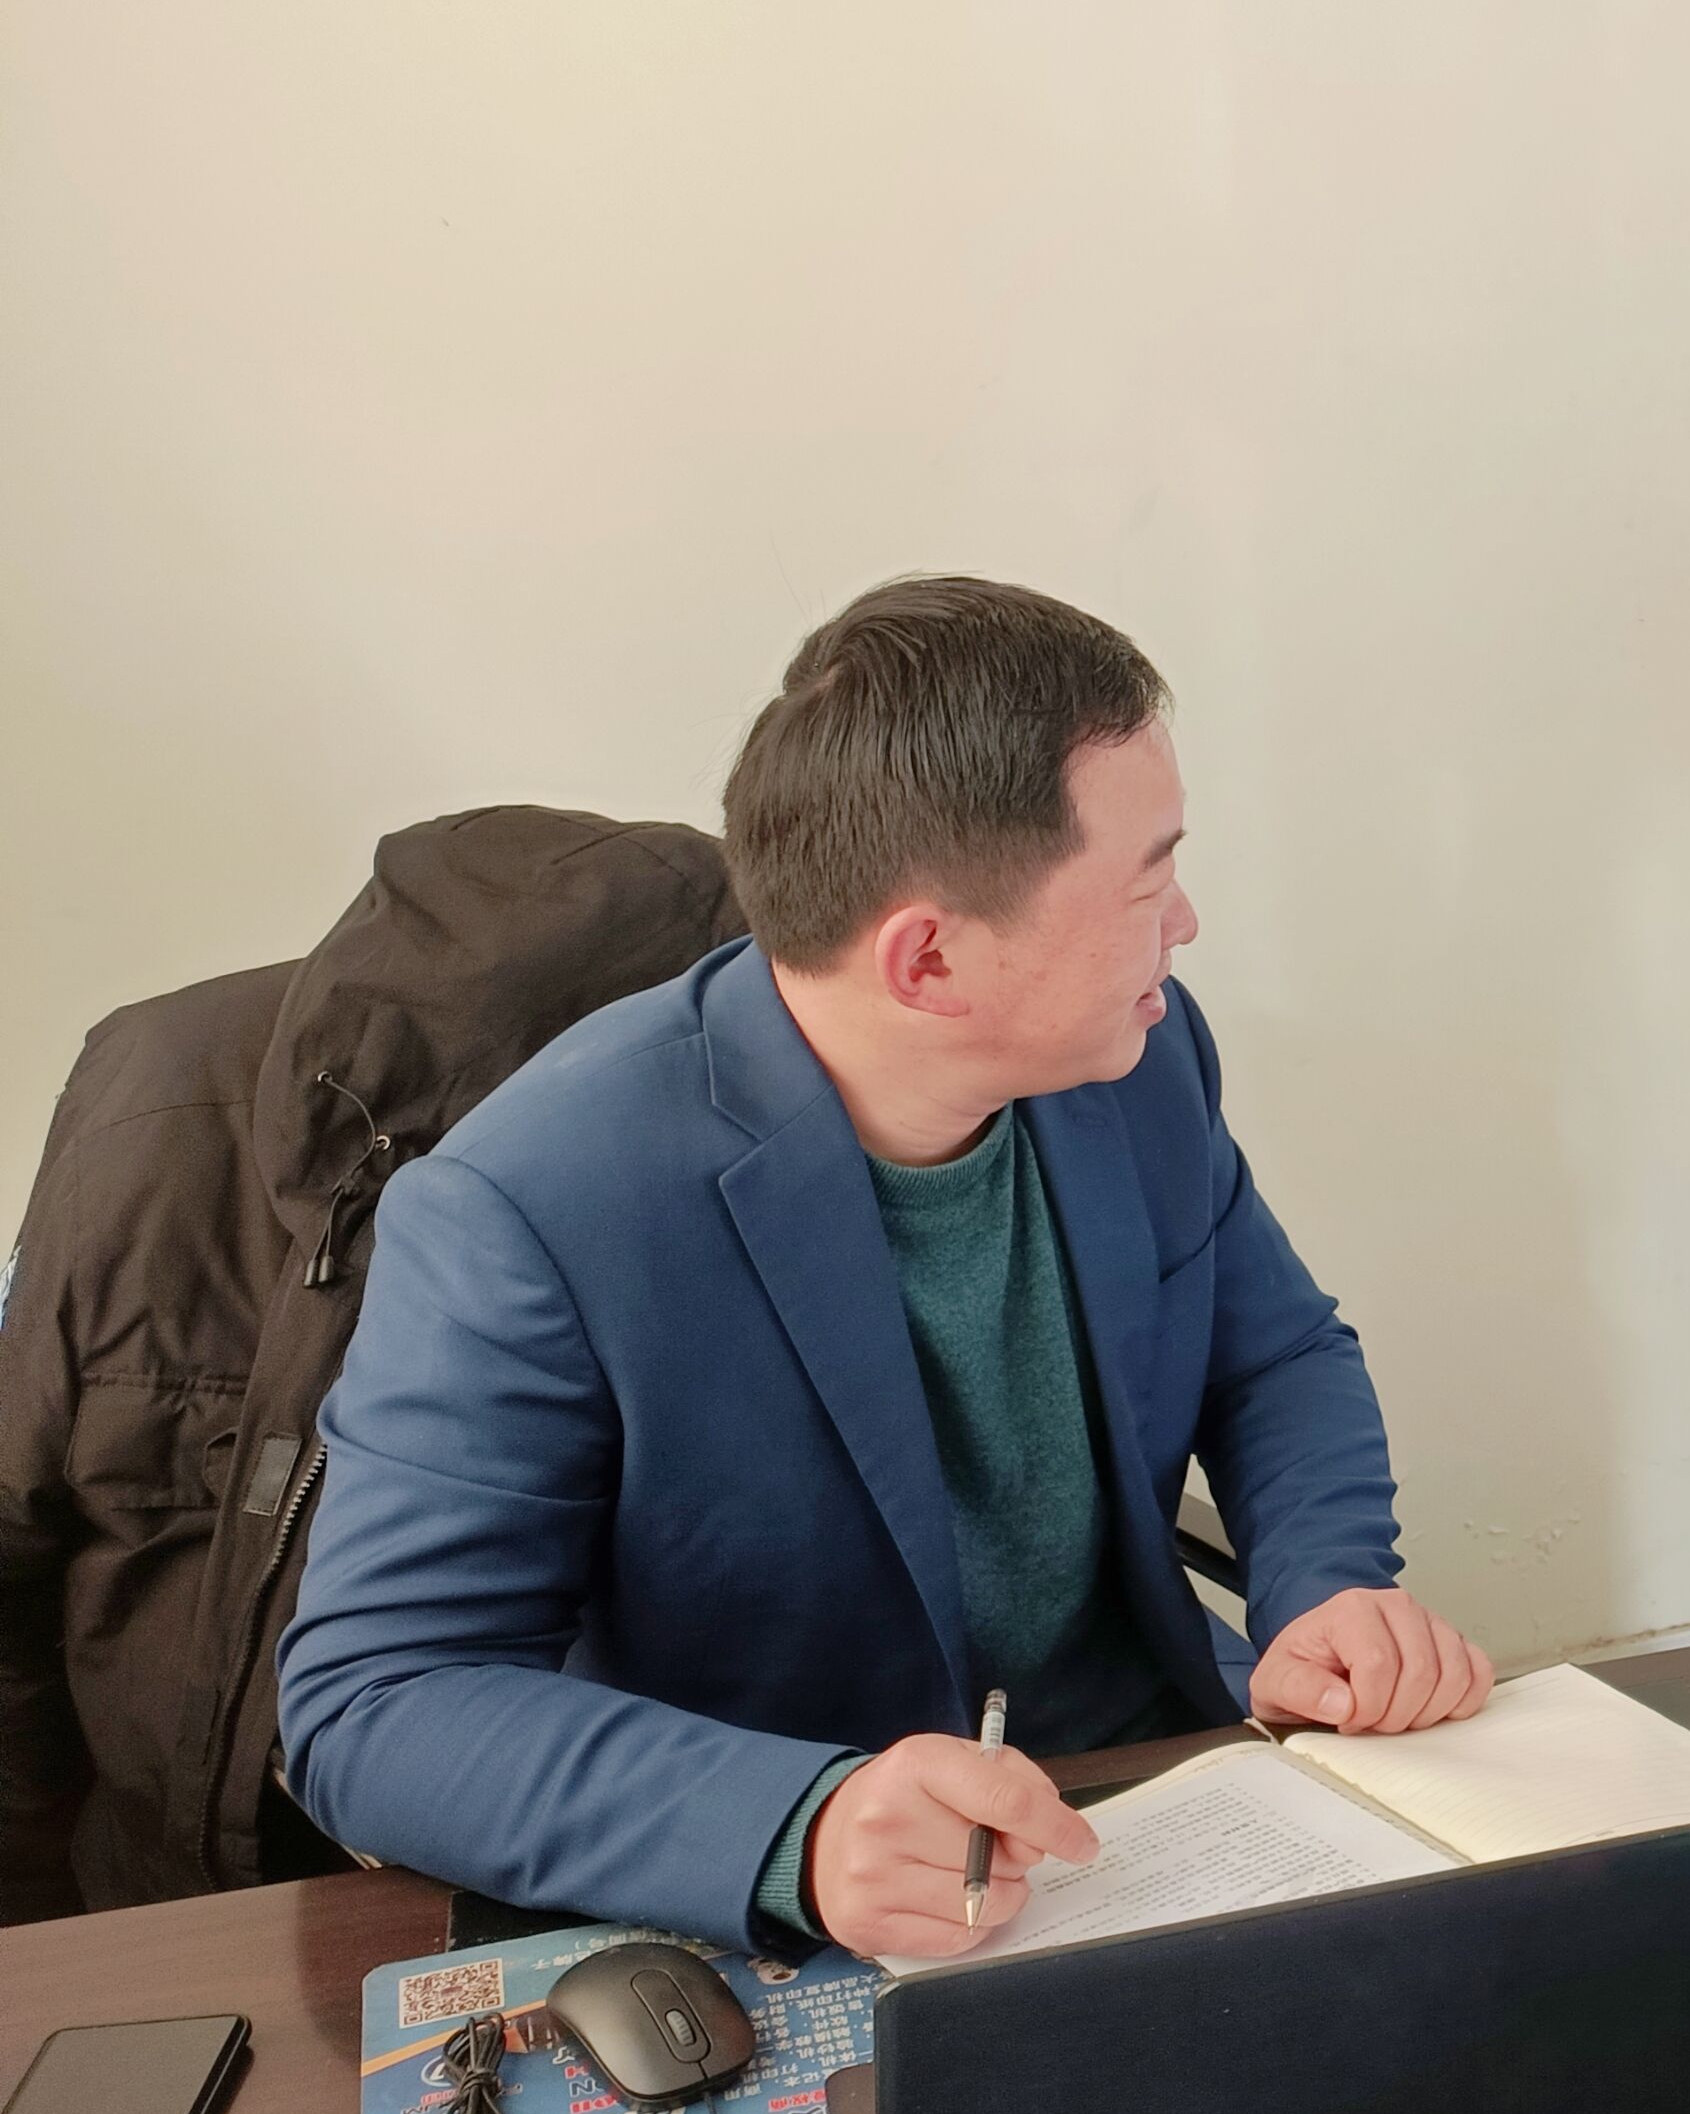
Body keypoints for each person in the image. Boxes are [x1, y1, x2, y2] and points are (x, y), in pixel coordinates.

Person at [278, 578, 1489, 1957]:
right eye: (1149, 882)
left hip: (1144, 1793)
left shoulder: (1138, 1059)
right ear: (928, 960)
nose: (1187, 924)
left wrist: (1325, 1585)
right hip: (830, 1866)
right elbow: (375, 1700)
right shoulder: (531, 1207)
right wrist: (800, 1827)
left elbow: (1272, 1354)